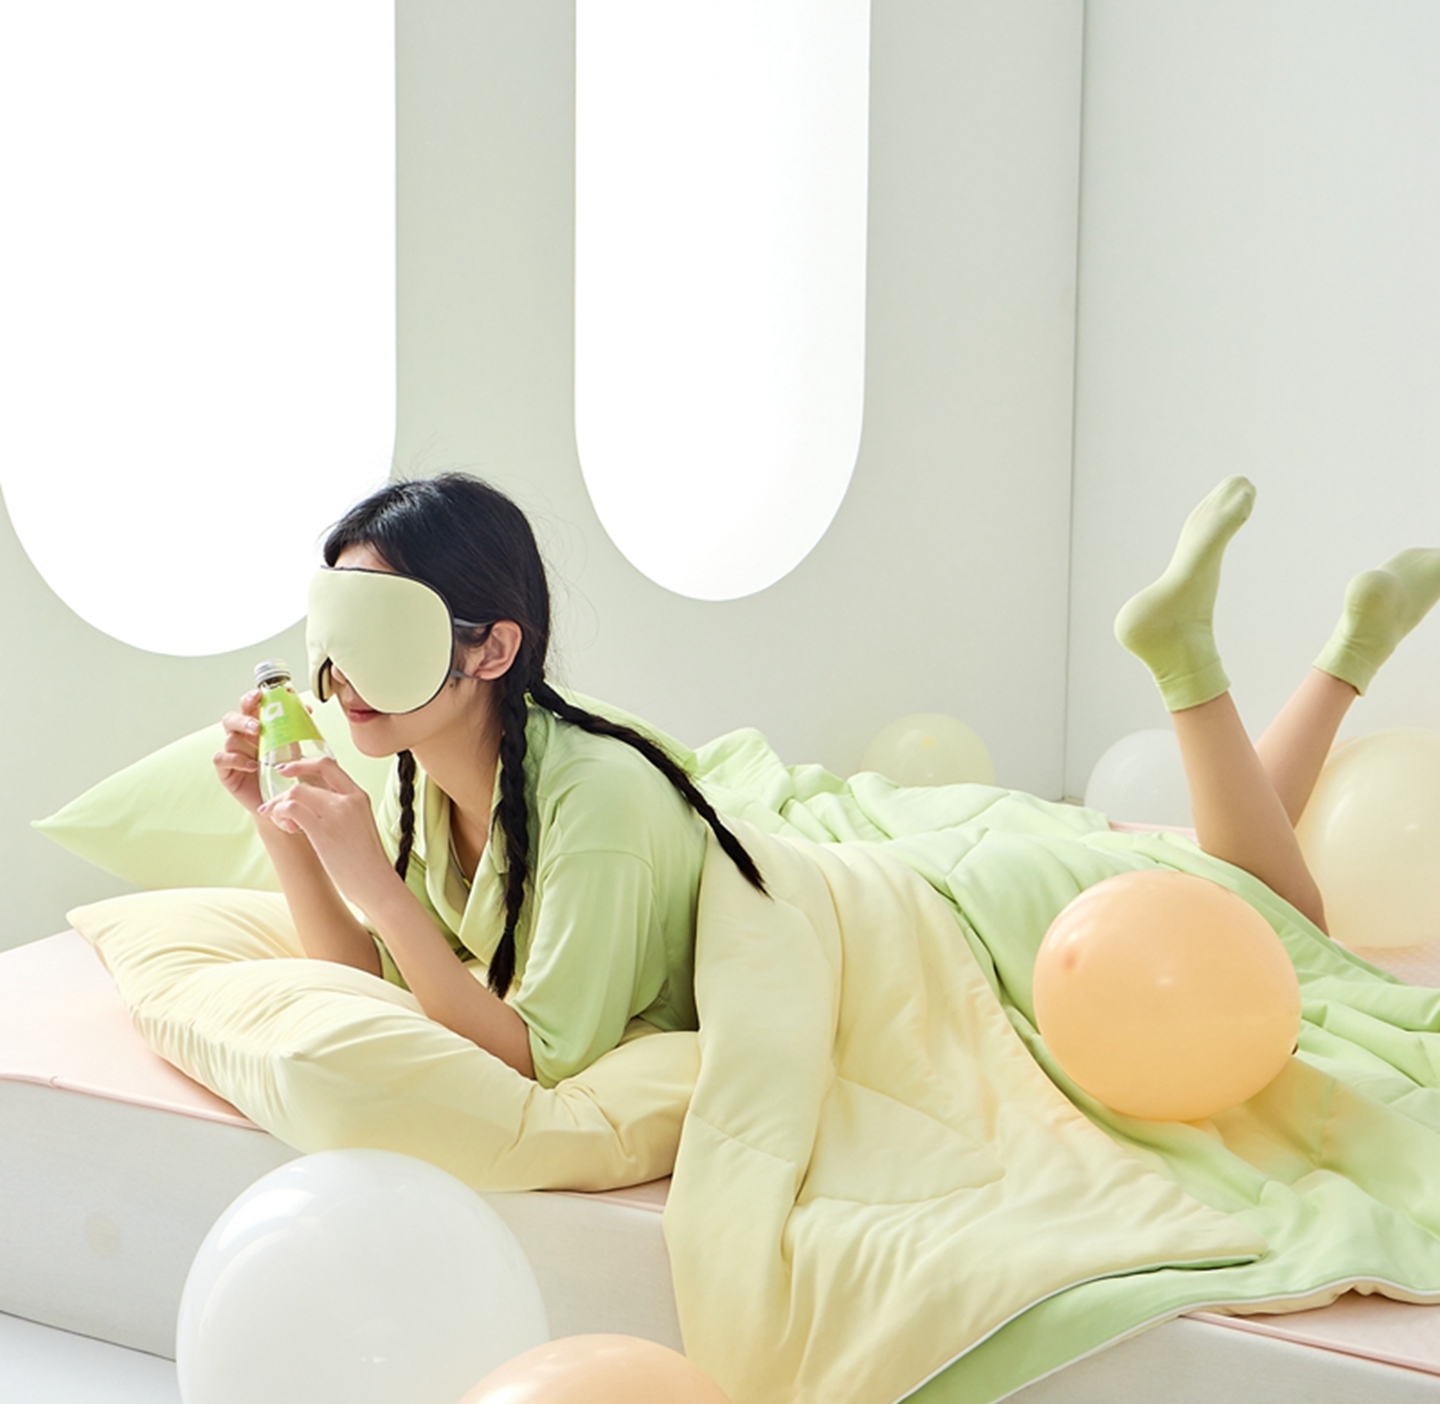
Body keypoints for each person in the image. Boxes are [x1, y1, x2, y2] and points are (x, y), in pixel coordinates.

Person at [214, 472, 1440, 1083]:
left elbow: (534, 1057)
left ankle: (1192, 668)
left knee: (1282, 918)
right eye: (336, 629)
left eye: (382, 631)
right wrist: (288, 833)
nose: (342, 672)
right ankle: (1348, 658)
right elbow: (381, 985)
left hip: (916, 912)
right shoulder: (439, 783)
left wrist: (372, 884)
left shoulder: (592, 800)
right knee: (1230, 879)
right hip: (856, 864)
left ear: (493, 649)